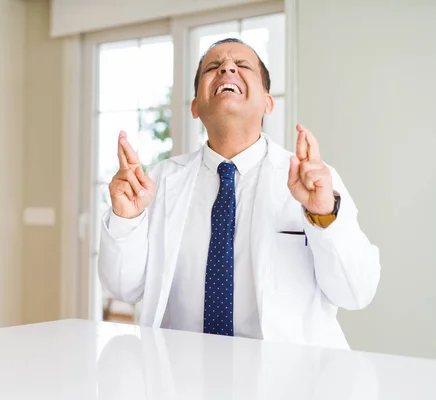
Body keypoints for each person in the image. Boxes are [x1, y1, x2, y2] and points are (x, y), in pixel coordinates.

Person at [98, 38, 380, 349]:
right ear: (195, 107)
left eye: (242, 65)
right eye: (213, 67)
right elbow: (124, 288)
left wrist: (324, 214)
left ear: (268, 102)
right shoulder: (160, 181)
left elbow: (357, 292)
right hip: (180, 373)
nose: (227, 68)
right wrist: (126, 219)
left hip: (288, 380)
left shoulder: (315, 181)